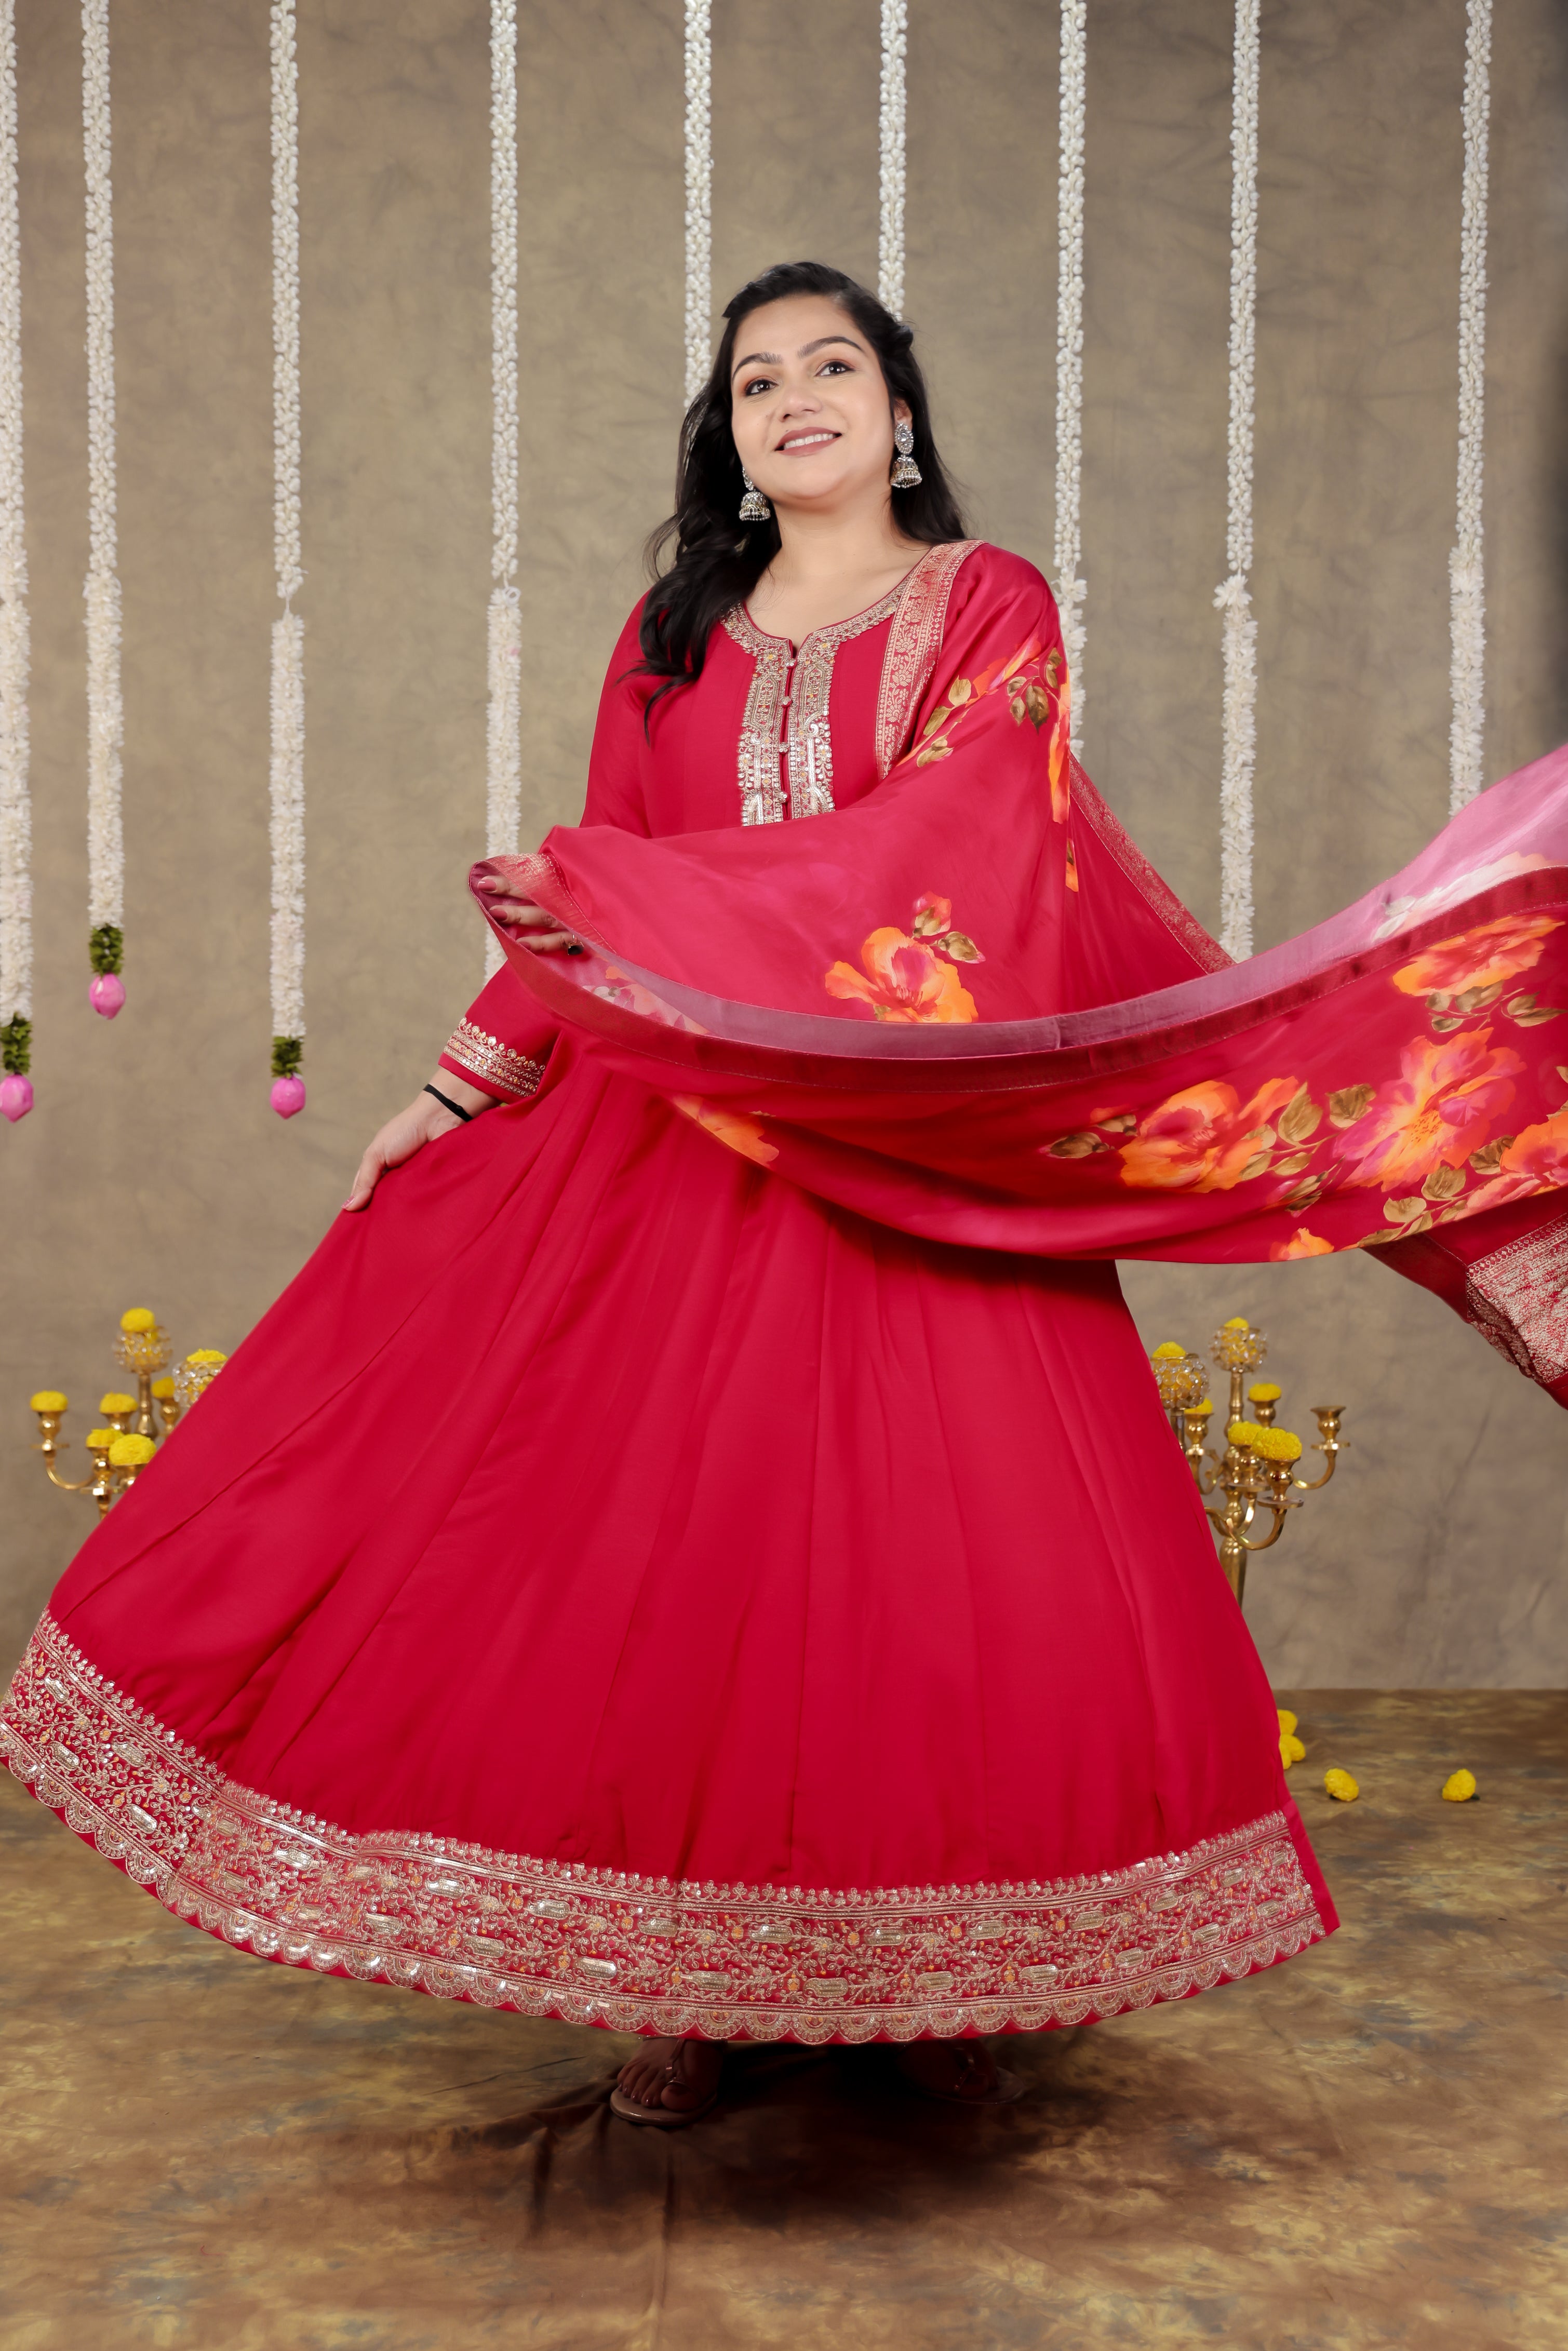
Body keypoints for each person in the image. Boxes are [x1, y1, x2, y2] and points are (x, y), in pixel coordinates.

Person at [9, 261, 1566, 2130]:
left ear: (899, 410)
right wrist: (455, 1086)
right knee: (657, 1559)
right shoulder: (671, 634)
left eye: (834, 366)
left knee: (931, 1569)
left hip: (910, 1162)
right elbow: (590, 903)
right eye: (758, 381)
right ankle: (675, 1981)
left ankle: (946, 1972)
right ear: (732, 437)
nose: (797, 397)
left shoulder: (984, 603)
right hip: (669, 1158)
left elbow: (963, 839)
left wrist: (664, 911)